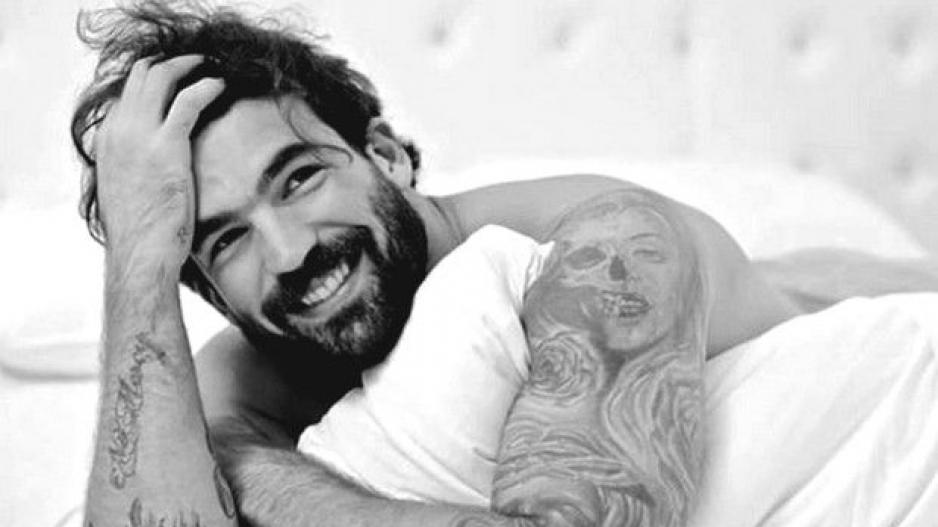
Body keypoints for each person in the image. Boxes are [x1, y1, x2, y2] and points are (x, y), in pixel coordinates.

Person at [71, 2, 801, 526]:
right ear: (212, 295)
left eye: (300, 178)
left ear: (385, 156)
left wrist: (254, 477)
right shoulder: (254, 364)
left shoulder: (609, 245)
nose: (288, 252)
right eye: (228, 241)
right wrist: (140, 260)